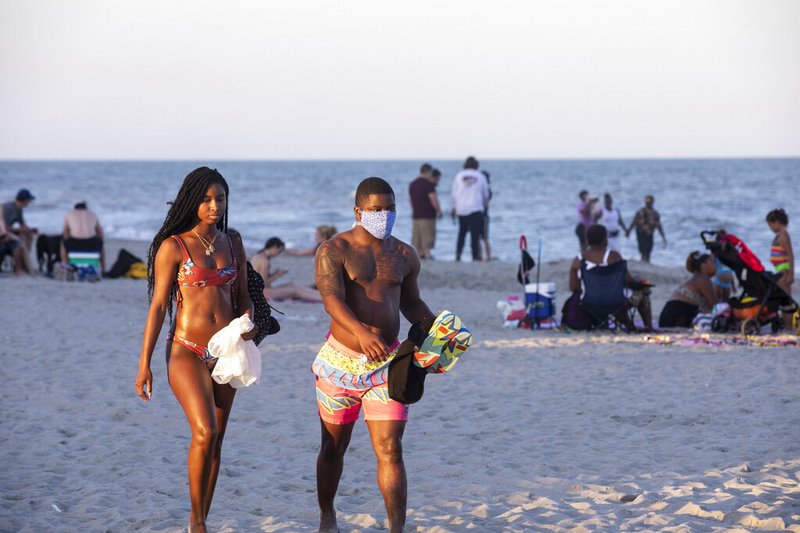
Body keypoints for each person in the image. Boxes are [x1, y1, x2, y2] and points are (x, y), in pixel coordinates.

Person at [135, 167, 255, 533]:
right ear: (192, 201)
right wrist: (144, 365)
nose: (214, 206)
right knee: (203, 431)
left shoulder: (233, 242)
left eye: (220, 199)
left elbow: (245, 296)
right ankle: (197, 521)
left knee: (217, 437)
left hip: (228, 351)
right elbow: (157, 307)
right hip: (186, 350)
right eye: (205, 200)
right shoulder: (175, 246)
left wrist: (247, 319)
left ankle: (202, 516)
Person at [313, 177, 434, 532]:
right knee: (333, 447)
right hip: (340, 363)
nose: (384, 215)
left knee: (391, 448)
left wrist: (438, 334)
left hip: (388, 365)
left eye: (390, 209)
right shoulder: (334, 250)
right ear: (358, 211)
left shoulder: (404, 254)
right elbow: (331, 299)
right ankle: (327, 514)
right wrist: (361, 333)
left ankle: (396, 527)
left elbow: (411, 303)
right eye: (376, 210)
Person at [567, 224, 654, 330]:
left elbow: (574, 288)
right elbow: (629, 281)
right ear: (604, 239)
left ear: (587, 239)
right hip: (615, 302)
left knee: (617, 296)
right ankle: (648, 327)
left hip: (589, 303)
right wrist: (641, 284)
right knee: (642, 291)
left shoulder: (578, 260)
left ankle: (630, 326)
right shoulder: (613, 257)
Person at [250, 237, 322, 302]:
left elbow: (260, 278)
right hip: (262, 292)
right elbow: (264, 284)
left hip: (256, 290)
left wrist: (276, 273)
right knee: (296, 290)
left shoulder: (257, 256)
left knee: (291, 285)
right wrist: (277, 274)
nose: (278, 254)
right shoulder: (264, 261)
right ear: (274, 247)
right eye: (279, 251)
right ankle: (324, 298)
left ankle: (322, 295)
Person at [658, 251, 717, 328]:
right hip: (676, 318)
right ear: (704, 265)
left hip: (667, 317)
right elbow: (715, 306)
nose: (716, 265)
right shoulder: (703, 279)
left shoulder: (697, 279)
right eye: (712, 262)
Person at [450, 156, 490, 261]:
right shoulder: (481, 176)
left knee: (461, 234)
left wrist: (454, 208)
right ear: (477, 165)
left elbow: (454, 193)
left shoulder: (459, 176)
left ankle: (458, 255)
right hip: (476, 209)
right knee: (474, 235)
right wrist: (484, 207)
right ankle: (474, 257)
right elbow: (486, 195)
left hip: (461, 209)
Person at [409, 163, 442, 259]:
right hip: (427, 215)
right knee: (428, 237)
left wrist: (414, 209)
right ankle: (427, 255)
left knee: (417, 238)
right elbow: (433, 198)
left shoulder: (413, 184)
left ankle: (419, 255)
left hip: (416, 215)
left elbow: (410, 199)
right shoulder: (428, 184)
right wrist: (438, 210)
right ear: (428, 172)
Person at [60, 201, 105, 271]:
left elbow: (65, 233)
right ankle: (103, 269)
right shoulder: (93, 214)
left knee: (63, 244)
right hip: (91, 243)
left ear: (75, 208)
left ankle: (66, 266)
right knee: (101, 245)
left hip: (75, 242)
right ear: (86, 208)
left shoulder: (69, 214)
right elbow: (100, 233)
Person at [629, 195, 667, 263]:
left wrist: (663, 237)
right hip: (641, 234)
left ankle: (646, 263)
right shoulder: (640, 211)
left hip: (649, 234)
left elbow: (659, 226)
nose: (648, 203)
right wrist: (629, 231)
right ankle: (643, 263)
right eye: (647, 201)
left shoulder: (655, 213)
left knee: (648, 251)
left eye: (650, 201)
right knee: (643, 251)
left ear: (652, 202)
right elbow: (634, 221)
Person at [1, 188, 38, 257]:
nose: (29, 202)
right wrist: (20, 230)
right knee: (21, 237)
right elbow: (4, 227)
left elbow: (22, 224)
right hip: (3, 233)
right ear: (24, 200)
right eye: (29, 200)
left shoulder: (19, 209)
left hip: (9, 231)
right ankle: (23, 258)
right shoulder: (8, 207)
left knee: (29, 235)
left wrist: (30, 230)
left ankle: (26, 257)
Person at [766, 208, 794, 295]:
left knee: (785, 296)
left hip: (784, 270)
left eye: (770, 225)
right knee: (783, 296)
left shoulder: (783, 236)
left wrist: (791, 274)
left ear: (776, 222)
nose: (770, 228)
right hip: (780, 269)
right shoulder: (779, 236)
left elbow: (790, 255)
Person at [480, 170, 493, 261]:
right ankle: (480, 256)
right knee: (477, 238)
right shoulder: (483, 189)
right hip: (479, 216)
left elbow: (485, 203)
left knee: (485, 238)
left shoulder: (487, 190)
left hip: (483, 216)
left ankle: (488, 256)